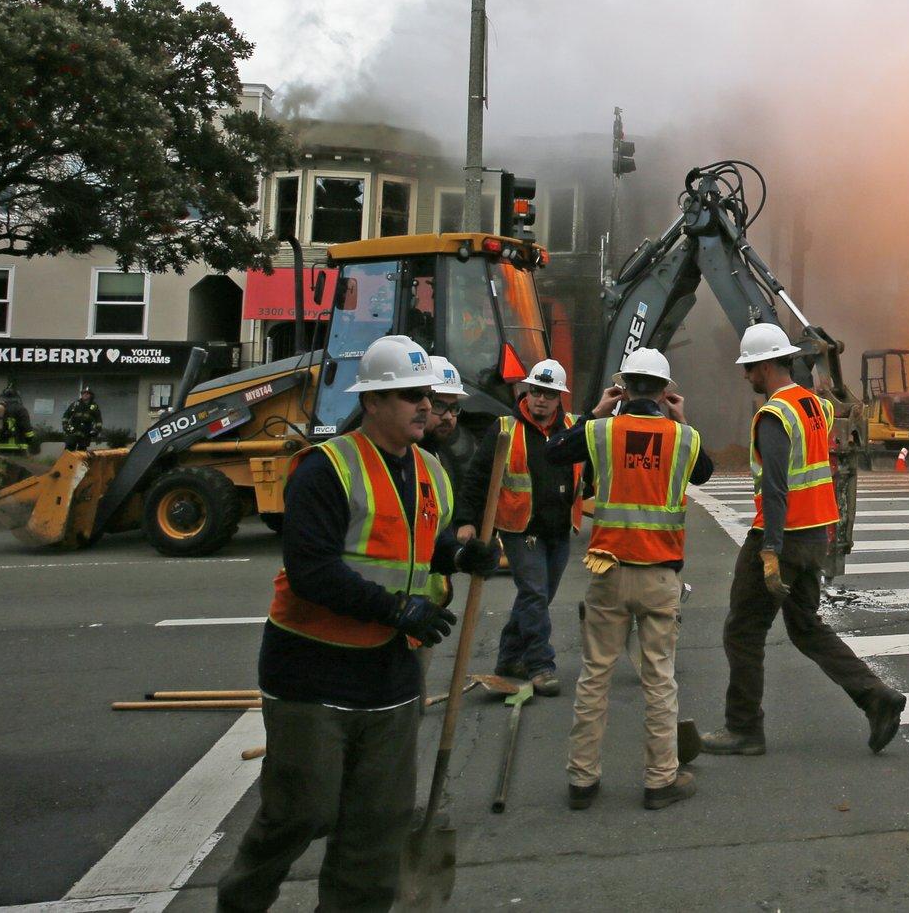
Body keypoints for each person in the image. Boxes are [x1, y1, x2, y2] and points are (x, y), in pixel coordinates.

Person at [217, 335, 496, 912]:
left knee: (380, 822)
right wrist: (395, 608)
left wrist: (460, 556)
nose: (425, 406)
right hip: (313, 668)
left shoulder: (429, 471)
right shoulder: (325, 469)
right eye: (409, 395)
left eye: (428, 395)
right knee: (303, 810)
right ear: (372, 402)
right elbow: (312, 570)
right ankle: (243, 899)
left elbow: (417, 547)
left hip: (388, 672)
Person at [700, 322, 907, 757]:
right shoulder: (815, 405)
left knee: (743, 630)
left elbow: (775, 487)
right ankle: (876, 696)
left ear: (765, 365)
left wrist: (770, 550)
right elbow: (824, 436)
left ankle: (743, 729)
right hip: (815, 536)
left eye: (749, 368)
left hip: (782, 538)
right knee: (806, 627)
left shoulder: (775, 414)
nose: (746, 376)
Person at [547, 347, 714, 810]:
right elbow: (705, 473)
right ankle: (660, 780)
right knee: (659, 679)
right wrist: (682, 420)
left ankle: (582, 780)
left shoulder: (601, 432)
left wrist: (593, 412)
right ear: (664, 392)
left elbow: (553, 452)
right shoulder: (683, 438)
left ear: (622, 388)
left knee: (594, 676)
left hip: (608, 572)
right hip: (660, 576)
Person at [457, 357, 579, 695]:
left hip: (559, 530)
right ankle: (540, 665)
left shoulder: (572, 428)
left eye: (548, 394)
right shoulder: (505, 428)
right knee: (535, 594)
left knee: (535, 597)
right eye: (535, 391)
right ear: (527, 391)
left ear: (559, 398)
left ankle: (509, 658)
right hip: (520, 530)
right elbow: (477, 478)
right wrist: (466, 521)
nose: (540, 399)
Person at [62, 386, 103, 453]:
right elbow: (66, 415)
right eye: (83, 393)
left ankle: (78, 463)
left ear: (91, 395)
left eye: (87, 393)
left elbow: (98, 419)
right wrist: (65, 425)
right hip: (73, 430)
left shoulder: (94, 406)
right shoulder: (76, 404)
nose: (85, 394)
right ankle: (65, 463)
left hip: (86, 432)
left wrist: (96, 430)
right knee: (69, 450)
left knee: (81, 453)